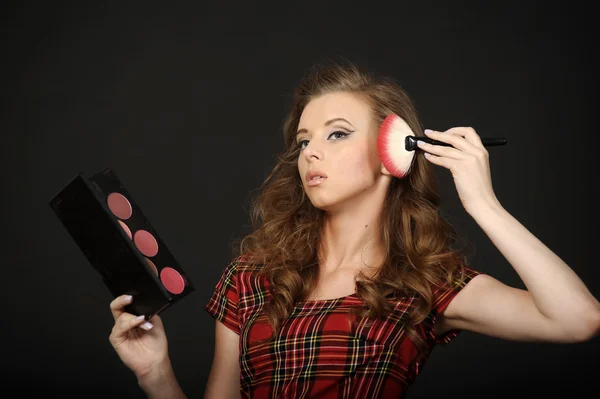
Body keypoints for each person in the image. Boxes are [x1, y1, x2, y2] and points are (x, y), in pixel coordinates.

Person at [108, 61, 600, 399]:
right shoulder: (251, 277)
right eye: (303, 141)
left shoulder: (426, 285)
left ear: (396, 151)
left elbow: (578, 319)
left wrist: (483, 203)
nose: (311, 153)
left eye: (337, 133)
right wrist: (156, 373)